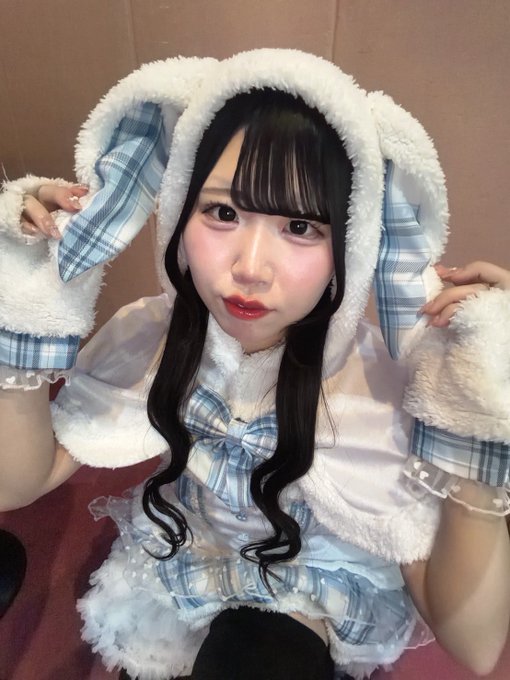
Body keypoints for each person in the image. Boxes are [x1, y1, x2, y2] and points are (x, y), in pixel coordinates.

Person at [0, 50, 509, 680]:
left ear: (352, 241)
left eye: (300, 226)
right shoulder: (150, 335)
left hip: (310, 588)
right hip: (186, 553)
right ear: (178, 211)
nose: (250, 268)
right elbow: (17, 484)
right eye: (223, 213)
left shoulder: (374, 389)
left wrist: (483, 398)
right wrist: (28, 295)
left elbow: (475, 644)